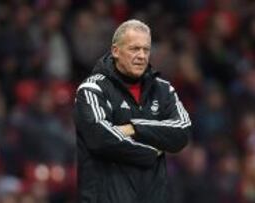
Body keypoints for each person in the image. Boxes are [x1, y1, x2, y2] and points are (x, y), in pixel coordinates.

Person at [73, 19, 191, 203]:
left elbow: (182, 131)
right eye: (134, 49)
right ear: (115, 51)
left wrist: (134, 128)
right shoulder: (92, 89)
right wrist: (152, 151)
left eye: (146, 49)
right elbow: (101, 139)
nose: (142, 56)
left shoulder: (163, 90)